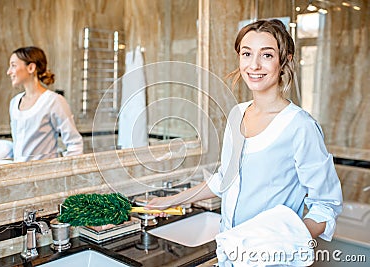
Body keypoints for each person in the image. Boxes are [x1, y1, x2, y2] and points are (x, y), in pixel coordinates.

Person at [146, 19, 342, 263]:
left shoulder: (300, 126)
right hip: (231, 254)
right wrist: (169, 201)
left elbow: (326, 206)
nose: (254, 65)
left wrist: (277, 241)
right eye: (247, 54)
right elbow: (225, 180)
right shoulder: (237, 114)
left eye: (267, 55)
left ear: (285, 61)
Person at [7, 46, 83, 162]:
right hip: (19, 176)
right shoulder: (14, 102)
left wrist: (64, 175)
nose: (9, 72)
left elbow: (75, 145)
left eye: (13, 65)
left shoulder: (54, 101)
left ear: (31, 67)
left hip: (45, 177)